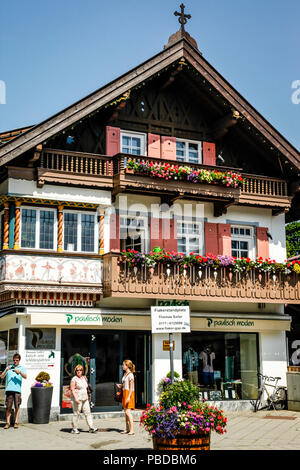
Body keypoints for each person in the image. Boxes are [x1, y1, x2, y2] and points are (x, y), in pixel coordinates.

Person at [0, 353, 27, 429]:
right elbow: (1, 376)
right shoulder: (9, 367)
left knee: (17, 406)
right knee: (8, 407)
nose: (15, 362)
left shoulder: (21, 368)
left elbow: (25, 377)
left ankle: (16, 422)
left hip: (17, 390)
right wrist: (6, 370)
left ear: (19, 360)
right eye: (14, 360)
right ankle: (8, 423)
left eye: (17, 360)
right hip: (9, 390)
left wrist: (20, 372)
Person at [70, 364, 97, 434]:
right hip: (77, 398)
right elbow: (72, 389)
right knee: (76, 413)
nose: (79, 371)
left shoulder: (84, 378)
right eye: (77, 370)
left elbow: (86, 388)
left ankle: (91, 427)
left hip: (85, 398)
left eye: (80, 370)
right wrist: (76, 398)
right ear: (75, 371)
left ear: (82, 371)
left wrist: (88, 397)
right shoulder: (74, 379)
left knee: (88, 412)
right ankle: (74, 428)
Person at [117, 360, 135, 435]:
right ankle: (127, 429)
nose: (122, 366)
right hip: (125, 393)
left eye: (123, 365)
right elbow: (126, 384)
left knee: (128, 412)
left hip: (129, 394)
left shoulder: (131, 375)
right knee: (126, 412)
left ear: (127, 366)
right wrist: (121, 385)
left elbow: (131, 387)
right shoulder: (125, 374)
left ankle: (132, 430)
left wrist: (128, 397)